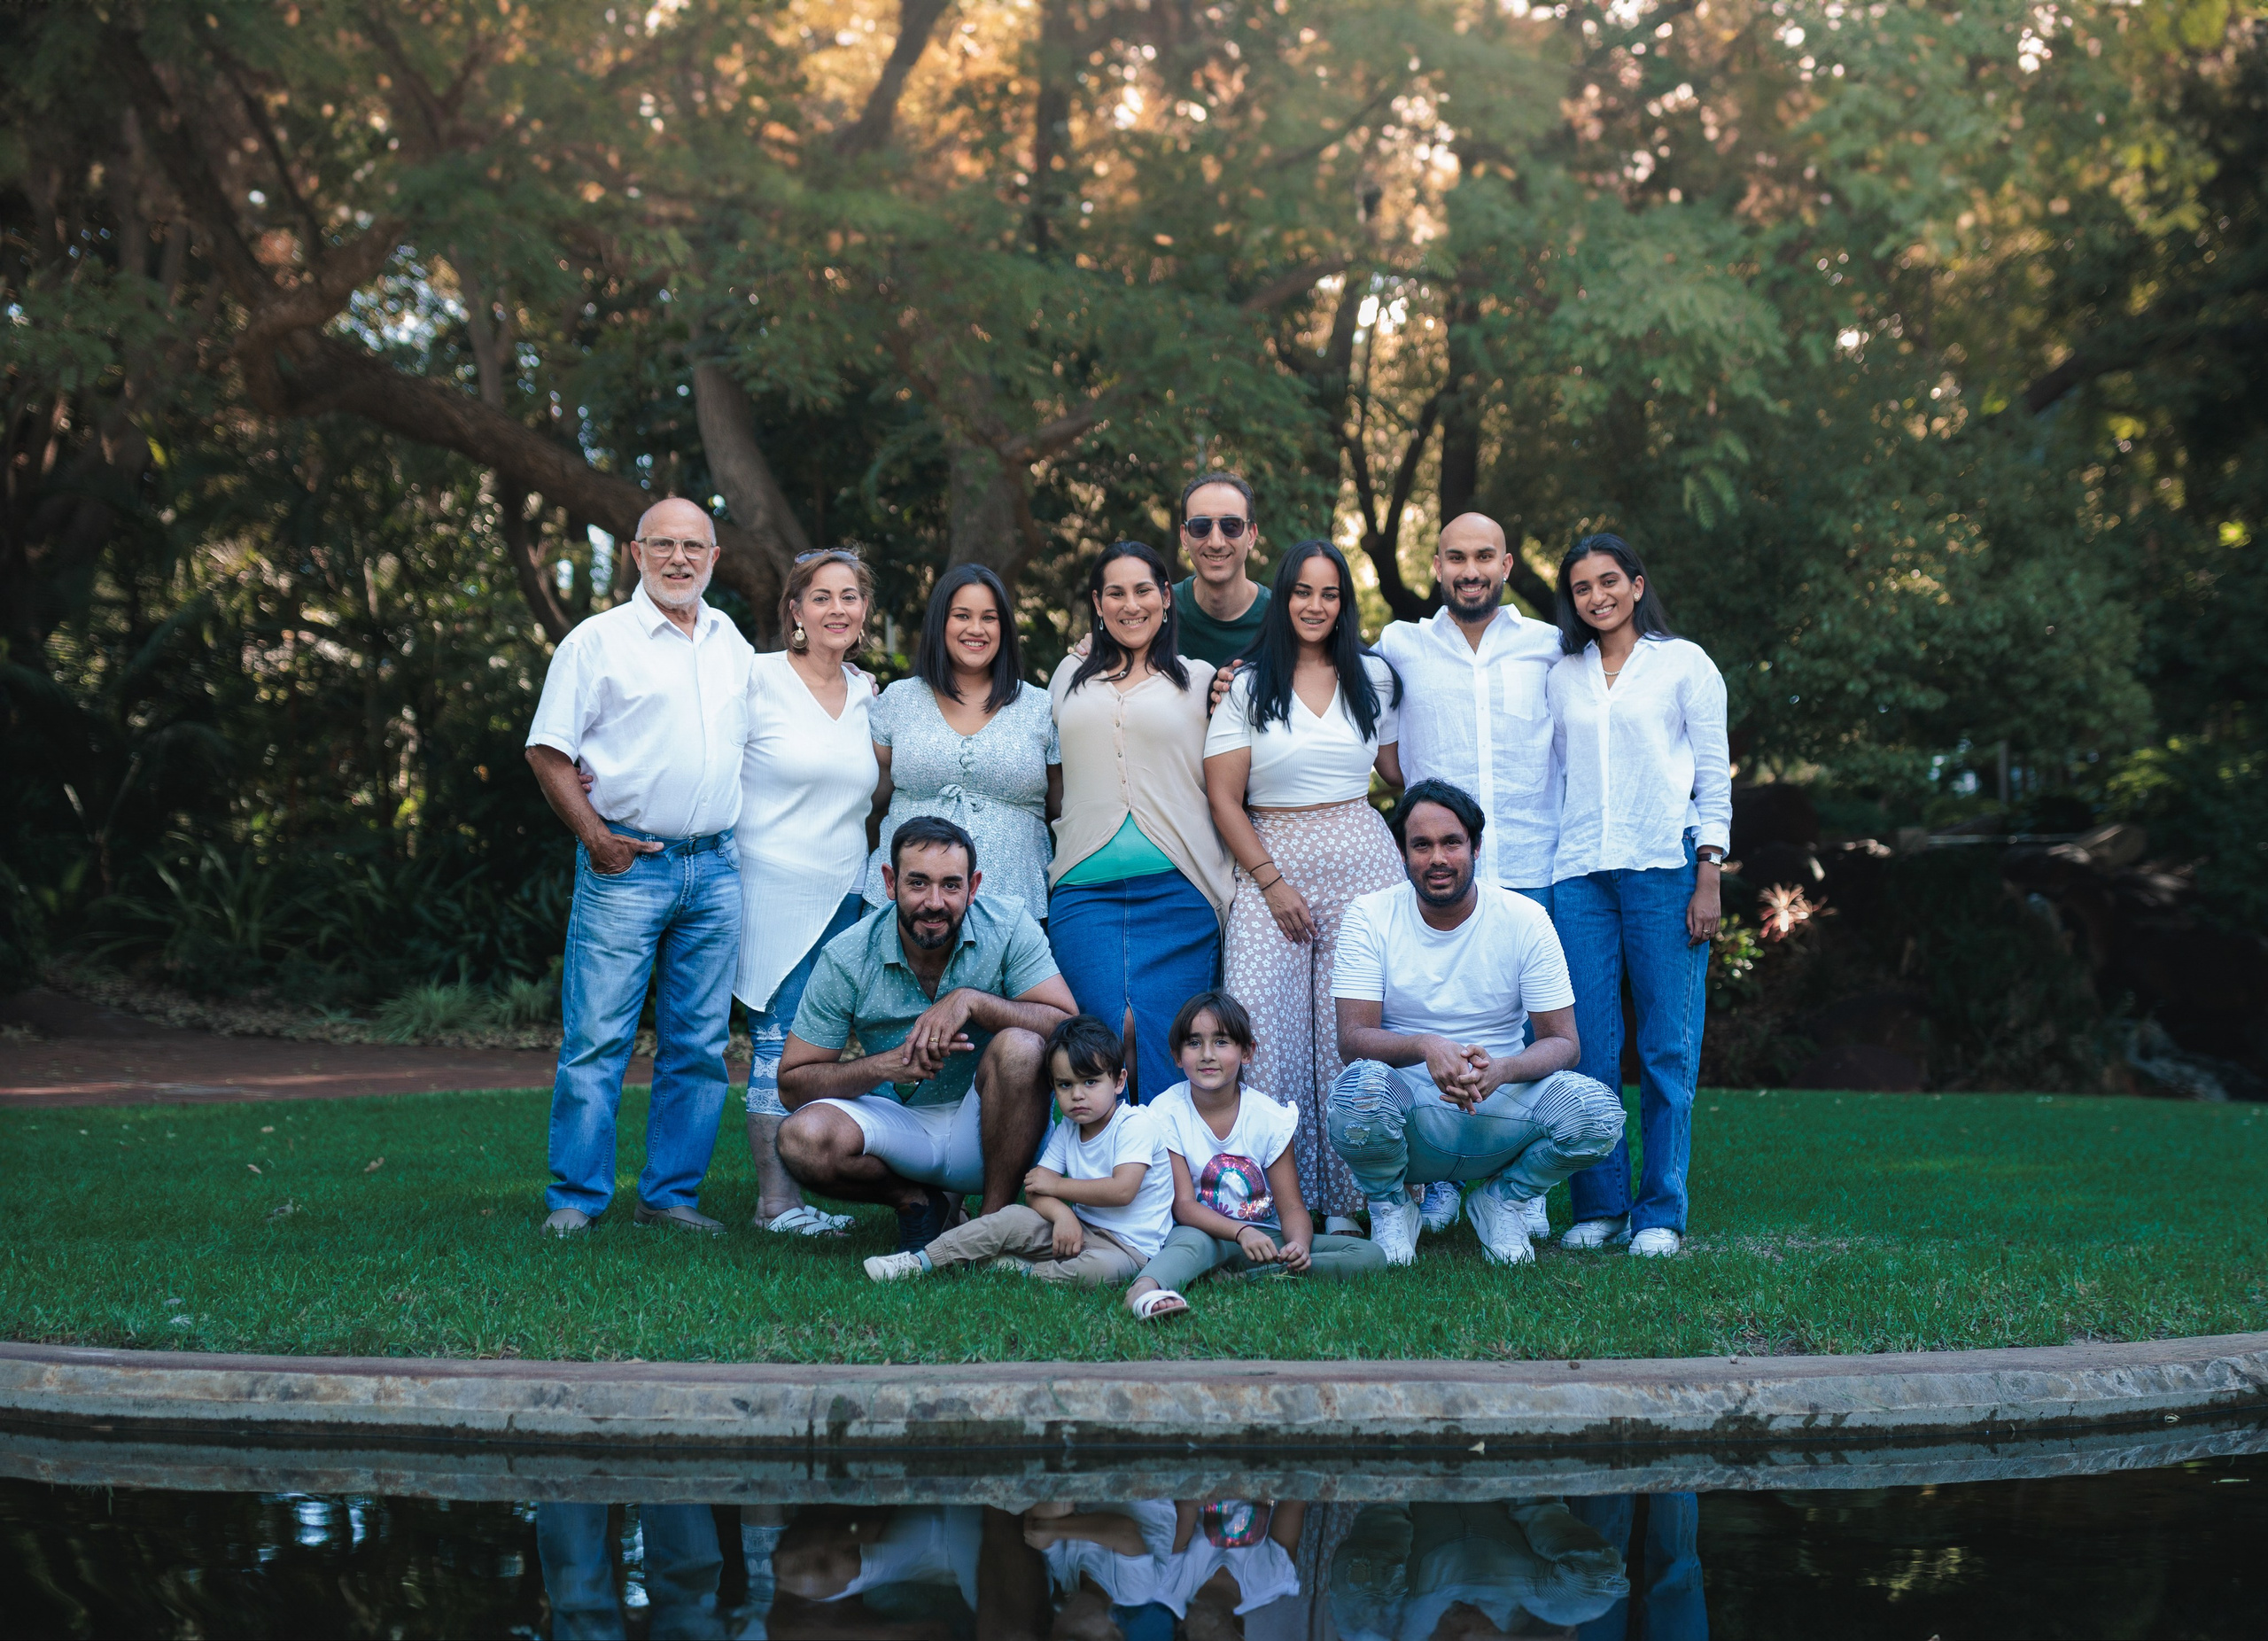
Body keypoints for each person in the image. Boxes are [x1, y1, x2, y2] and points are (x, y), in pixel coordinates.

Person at [524, 497, 753, 1237]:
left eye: (694, 546)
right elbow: (547, 750)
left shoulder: (732, 643)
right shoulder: (596, 642)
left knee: (699, 1046)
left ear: (715, 558)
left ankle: (669, 1197)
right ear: (636, 553)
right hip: (627, 865)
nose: (679, 559)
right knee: (598, 1040)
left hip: (715, 869)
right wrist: (597, 837)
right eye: (663, 545)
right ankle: (575, 1200)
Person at [1326, 781, 1626, 1267]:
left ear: (1476, 847)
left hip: (1500, 1104)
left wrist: (1503, 1070)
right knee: (1357, 1089)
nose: (1437, 858)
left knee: (1597, 1115)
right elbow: (1353, 1039)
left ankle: (1503, 1199)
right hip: (1412, 1110)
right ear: (1403, 853)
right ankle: (1392, 1206)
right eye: (1421, 845)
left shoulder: (1524, 917)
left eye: (1451, 842)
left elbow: (1564, 1043)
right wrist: (1427, 1046)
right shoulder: (1370, 915)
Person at [1203, 538, 1404, 1231]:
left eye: (1330, 594)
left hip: (1360, 858)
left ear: (1344, 605)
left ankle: (1352, 1199)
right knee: (1260, 1023)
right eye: (1302, 592)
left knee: (1350, 1033)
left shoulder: (1373, 680)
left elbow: (1400, 774)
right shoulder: (1248, 685)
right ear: (1281, 598)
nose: (1315, 606)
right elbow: (1224, 797)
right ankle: (1259, 1199)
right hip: (1271, 858)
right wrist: (1272, 882)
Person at [1547, 533, 1729, 1259]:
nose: (1598, 596)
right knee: (1586, 1048)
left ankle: (1660, 1211)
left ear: (1637, 584)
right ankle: (1599, 1205)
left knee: (1666, 1048)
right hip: (1581, 872)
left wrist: (1709, 871)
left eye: (1609, 581)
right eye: (1583, 587)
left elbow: (1714, 776)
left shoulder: (1684, 664)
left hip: (1666, 866)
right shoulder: (1563, 673)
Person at [773, 815, 1077, 1253]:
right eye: (917, 883)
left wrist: (973, 1002)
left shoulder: (1009, 926)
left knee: (1022, 1046)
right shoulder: (848, 954)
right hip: (900, 1125)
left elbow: (1064, 1024)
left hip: (995, 1123)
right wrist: (887, 1064)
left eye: (951, 886)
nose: (934, 902)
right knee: (801, 1138)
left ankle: (990, 1227)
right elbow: (791, 1084)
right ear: (889, 881)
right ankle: (917, 1202)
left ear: (973, 886)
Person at [1048, 541, 1234, 1102]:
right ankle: (1102, 1180)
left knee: (1168, 1043)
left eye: (1144, 590)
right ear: (1098, 604)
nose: (1131, 605)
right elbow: (1051, 777)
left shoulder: (1204, 681)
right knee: (1102, 1040)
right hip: (1085, 890)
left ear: (1166, 599)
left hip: (1181, 890)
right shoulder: (1067, 675)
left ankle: (1168, 1177)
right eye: (1116, 593)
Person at [734, 548, 881, 1240]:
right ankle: (776, 1205)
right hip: (774, 887)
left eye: (848, 597)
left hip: (846, 891)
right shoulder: (756, 678)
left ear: (864, 612)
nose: (836, 610)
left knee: (822, 1044)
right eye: (820, 597)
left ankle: (809, 1186)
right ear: (795, 611)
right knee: (778, 1040)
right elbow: (695, 749)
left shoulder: (870, 693)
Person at [1123, 992, 1387, 1321]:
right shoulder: (1168, 1113)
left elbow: (1291, 1206)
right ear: (1177, 1056)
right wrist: (1238, 1232)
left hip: (1263, 1240)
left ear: (1247, 1052)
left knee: (1369, 1256)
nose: (1207, 1055)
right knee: (1191, 1245)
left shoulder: (1268, 1118)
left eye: (1221, 1042)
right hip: (1203, 1234)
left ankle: (1249, 1276)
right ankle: (1143, 1290)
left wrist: (1298, 1246)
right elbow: (1184, 1207)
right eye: (1194, 1043)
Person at [861, 1013, 1173, 1286]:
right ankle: (919, 1262)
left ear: (1118, 1082)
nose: (1077, 1095)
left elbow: (1122, 1191)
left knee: (1100, 1270)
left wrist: (1059, 1187)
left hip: (1127, 1249)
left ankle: (1024, 1272)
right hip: (1079, 1228)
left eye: (1090, 1082)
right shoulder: (1069, 1130)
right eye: (1065, 1085)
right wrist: (1062, 1213)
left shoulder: (1134, 1125)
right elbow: (1037, 1190)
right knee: (1009, 1218)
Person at [866, 564, 1062, 922]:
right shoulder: (899, 699)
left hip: (1013, 908)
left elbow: (1064, 807)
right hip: (903, 910)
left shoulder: (1039, 707)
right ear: (941, 623)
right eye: (962, 616)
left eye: (989, 617)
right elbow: (866, 795)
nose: (976, 629)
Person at [1171, 471, 1272, 665]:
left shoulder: (1280, 618)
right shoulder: (1159, 611)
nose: (1216, 542)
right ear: (1184, 537)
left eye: (1231, 526)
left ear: (1251, 536)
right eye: (1200, 526)